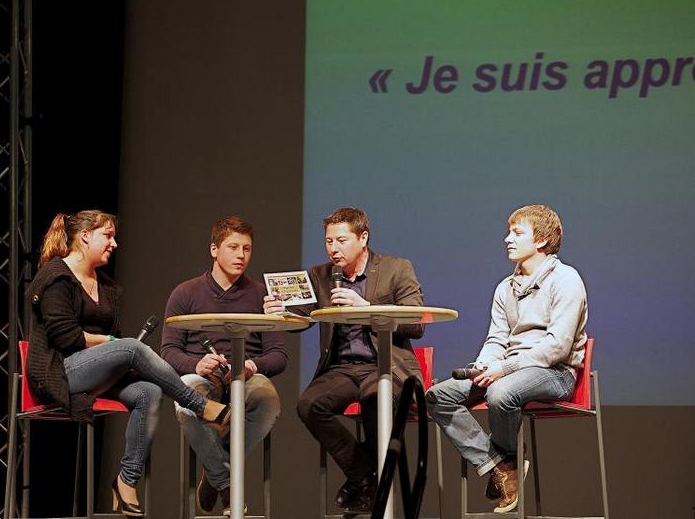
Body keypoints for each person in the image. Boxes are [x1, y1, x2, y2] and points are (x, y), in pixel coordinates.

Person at [26, 210, 229, 518]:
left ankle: (125, 480)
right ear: (84, 236)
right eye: (107, 236)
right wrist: (111, 344)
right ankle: (199, 406)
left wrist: (115, 348)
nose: (115, 243)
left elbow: (112, 340)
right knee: (132, 347)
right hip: (58, 374)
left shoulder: (105, 286)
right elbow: (65, 338)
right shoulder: (56, 277)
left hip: (95, 374)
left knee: (149, 391)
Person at [426, 204, 588, 513]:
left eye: (516, 233)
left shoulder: (567, 279)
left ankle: (505, 461)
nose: (507, 239)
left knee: (501, 393)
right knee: (438, 396)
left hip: (554, 371)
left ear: (540, 241)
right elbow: (497, 339)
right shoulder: (505, 288)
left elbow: (557, 346)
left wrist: (503, 369)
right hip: (508, 368)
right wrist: (485, 366)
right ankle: (500, 465)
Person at [263, 207, 424, 513]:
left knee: (375, 397)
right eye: (328, 242)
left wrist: (366, 308)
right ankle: (365, 473)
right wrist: (279, 311)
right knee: (309, 405)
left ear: (363, 238)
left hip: (385, 365)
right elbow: (302, 317)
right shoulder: (321, 275)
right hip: (342, 369)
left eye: (341, 240)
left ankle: (367, 480)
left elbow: (416, 324)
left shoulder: (396, 268)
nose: (333, 249)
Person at [161, 216, 287, 517]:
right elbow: (167, 352)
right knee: (187, 400)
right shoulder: (185, 292)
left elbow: (279, 355)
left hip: (245, 374)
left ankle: (215, 468)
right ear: (214, 249)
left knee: (268, 400)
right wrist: (197, 363)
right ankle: (227, 483)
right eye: (233, 247)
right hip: (202, 373)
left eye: (247, 248)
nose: (241, 255)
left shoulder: (262, 296)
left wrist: (251, 365)